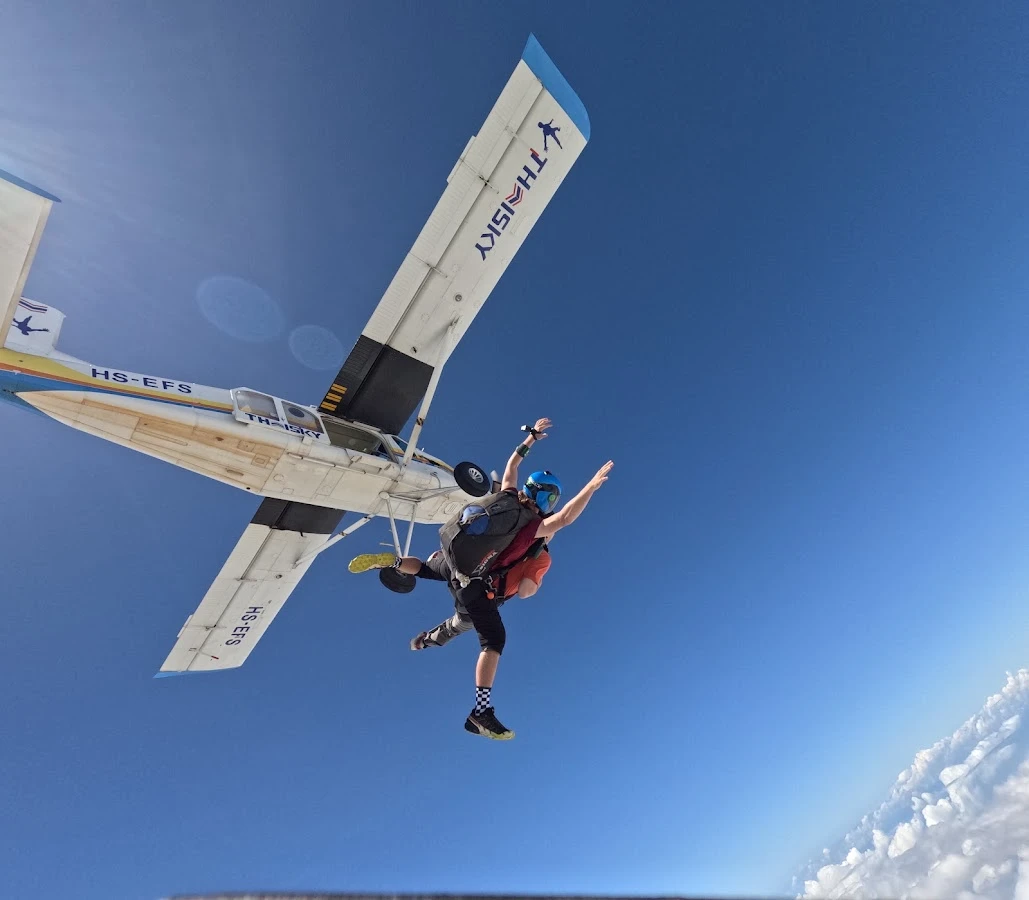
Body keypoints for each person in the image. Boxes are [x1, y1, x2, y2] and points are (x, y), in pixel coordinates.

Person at [349, 417, 613, 741]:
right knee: (490, 639)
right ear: (548, 502)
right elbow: (563, 523)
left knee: (427, 569)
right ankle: (480, 710)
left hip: (451, 559)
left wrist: (530, 438)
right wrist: (591, 486)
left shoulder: (508, 495)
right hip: (475, 588)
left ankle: (394, 562)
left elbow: (512, 465)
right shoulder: (532, 533)